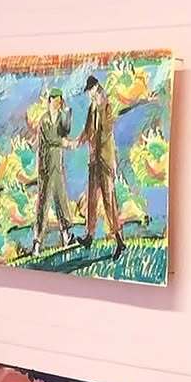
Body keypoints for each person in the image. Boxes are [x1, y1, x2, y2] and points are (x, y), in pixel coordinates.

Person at [79, 76, 125, 258]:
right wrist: (78, 141)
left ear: (96, 88)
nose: (89, 94)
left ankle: (119, 240)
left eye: (90, 91)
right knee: (91, 199)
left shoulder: (106, 105)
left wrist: (98, 106)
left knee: (109, 200)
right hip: (94, 160)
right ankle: (89, 235)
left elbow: (106, 131)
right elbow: (88, 130)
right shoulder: (92, 107)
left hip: (105, 160)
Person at [32, 88, 75, 255]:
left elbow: (66, 130)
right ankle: (37, 242)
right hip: (46, 168)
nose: (58, 103)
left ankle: (66, 236)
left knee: (61, 200)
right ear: (50, 100)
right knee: (43, 204)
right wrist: (65, 143)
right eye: (56, 100)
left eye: (60, 100)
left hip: (57, 166)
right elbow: (52, 139)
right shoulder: (44, 120)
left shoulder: (60, 117)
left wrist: (67, 113)